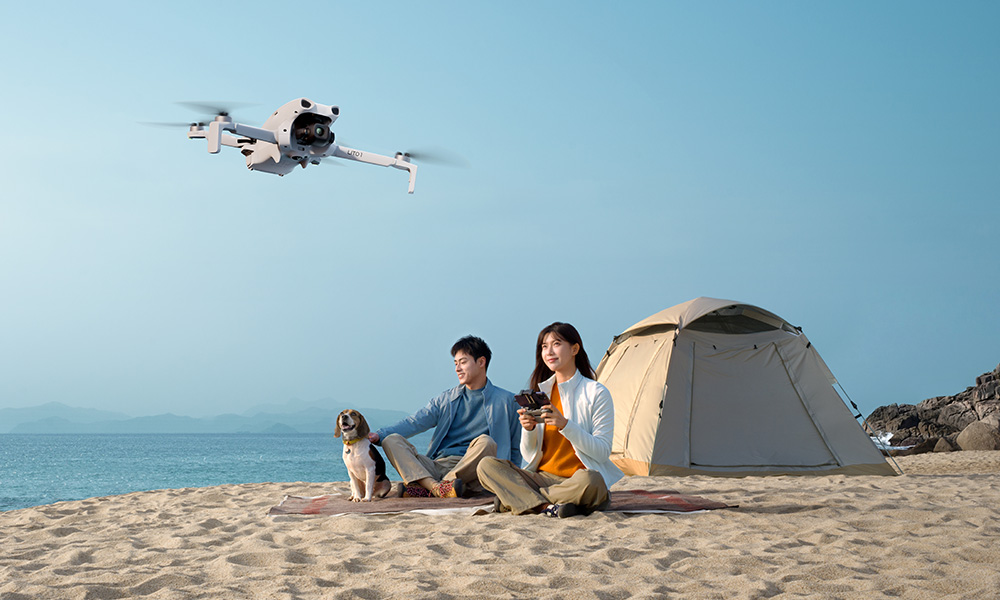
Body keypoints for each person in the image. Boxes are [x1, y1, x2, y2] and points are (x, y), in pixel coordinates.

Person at [477, 322, 623, 517]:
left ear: (574, 349)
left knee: (593, 481)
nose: (549, 351)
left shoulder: (596, 393)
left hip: (578, 479)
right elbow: (529, 456)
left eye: (556, 344)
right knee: (486, 466)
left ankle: (524, 499)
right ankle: (545, 507)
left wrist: (565, 425)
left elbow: (602, 452)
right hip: (542, 477)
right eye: (544, 347)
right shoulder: (541, 393)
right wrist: (528, 431)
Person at [369, 335, 522, 498]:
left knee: (486, 442)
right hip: (437, 466)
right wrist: (380, 435)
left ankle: (429, 487)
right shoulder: (447, 399)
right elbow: (415, 422)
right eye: (455, 363)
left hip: (475, 469)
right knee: (391, 440)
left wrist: (511, 480)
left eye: (463, 362)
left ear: (481, 362)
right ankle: (438, 488)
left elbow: (515, 448)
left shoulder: (507, 401)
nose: (457, 369)